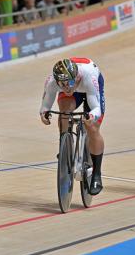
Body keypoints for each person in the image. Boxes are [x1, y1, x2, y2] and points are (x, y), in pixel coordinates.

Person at [39, 58, 106, 195]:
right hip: (77, 85)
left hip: (89, 88)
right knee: (64, 111)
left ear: (76, 77)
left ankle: (97, 174)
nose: (66, 88)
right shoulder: (52, 82)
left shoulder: (89, 77)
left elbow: (96, 108)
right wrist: (44, 114)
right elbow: (45, 106)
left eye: (69, 83)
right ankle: (65, 149)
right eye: (62, 85)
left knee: (92, 127)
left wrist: (91, 116)